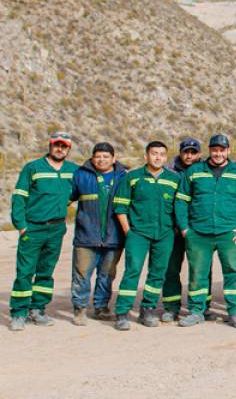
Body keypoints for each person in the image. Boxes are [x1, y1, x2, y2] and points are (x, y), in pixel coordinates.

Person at [174, 134, 236, 328]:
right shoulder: (194, 172)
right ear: (209, 151)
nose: (218, 153)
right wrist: (185, 228)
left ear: (228, 151)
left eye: (222, 150)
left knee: (234, 272)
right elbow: (181, 201)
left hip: (230, 233)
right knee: (197, 273)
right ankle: (196, 311)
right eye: (215, 150)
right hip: (199, 233)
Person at [9, 132, 78, 331]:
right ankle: (19, 313)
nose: (59, 149)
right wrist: (21, 225)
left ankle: (37, 309)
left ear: (68, 149)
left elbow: (77, 192)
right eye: (56, 145)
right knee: (25, 272)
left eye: (63, 146)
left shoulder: (73, 170)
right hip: (33, 228)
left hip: (56, 229)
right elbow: (19, 197)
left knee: (46, 272)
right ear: (50, 146)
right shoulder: (33, 168)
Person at [112, 141, 182, 330]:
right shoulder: (133, 177)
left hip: (165, 234)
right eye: (154, 153)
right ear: (146, 156)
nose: (157, 157)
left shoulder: (174, 180)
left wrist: (174, 229)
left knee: (157, 273)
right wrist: (128, 231)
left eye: (161, 154)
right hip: (138, 233)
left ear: (166, 158)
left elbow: (180, 208)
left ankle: (148, 309)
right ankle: (122, 312)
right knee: (132, 271)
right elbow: (120, 206)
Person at [69, 142, 128, 325]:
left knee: (107, 275)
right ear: (92, 158)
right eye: (98, 156)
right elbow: (65, 198)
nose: (101, 160)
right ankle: (79, 309)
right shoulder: (81, 175)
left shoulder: (123, 177)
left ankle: (101, 307)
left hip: (114, 237)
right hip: (86, 237)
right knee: (81, 274)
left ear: (113, 158)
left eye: (105, 156)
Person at [161, 137, 207, 322]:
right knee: (171, 268)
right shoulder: (168, 171)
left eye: (193, 152)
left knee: (201, 269)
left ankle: (204, 307)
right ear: (180, 152)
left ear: (199, 154)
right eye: (186, 152)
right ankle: (171, 307)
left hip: (197, 228)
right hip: (173, 228)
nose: (189, 155)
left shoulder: (206, 170)